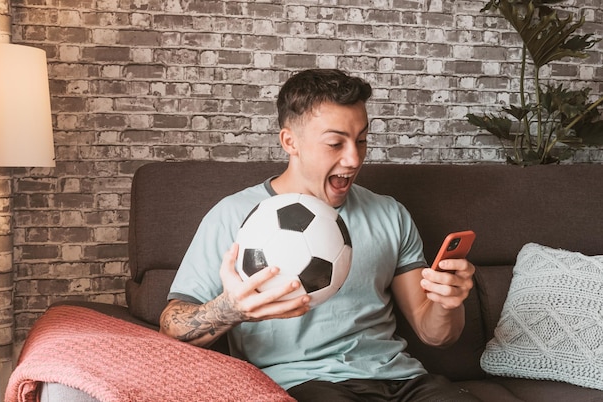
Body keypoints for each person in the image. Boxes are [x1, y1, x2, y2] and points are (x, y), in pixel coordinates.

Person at [160, 68, 480, 402]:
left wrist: (448, 302)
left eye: (362, 140)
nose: (354, 159)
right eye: (335, 143)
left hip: (403, 382)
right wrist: (232, 309)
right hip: (303, 385)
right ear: (289, 141)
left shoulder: (390, 213)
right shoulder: (234, 216)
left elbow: (435, 335)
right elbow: (171, 326)